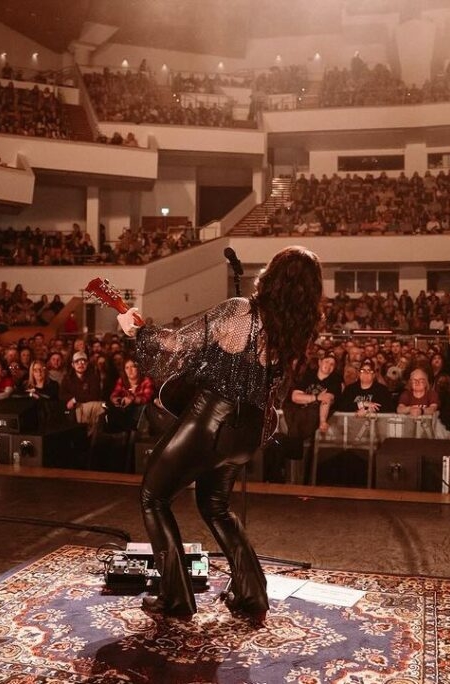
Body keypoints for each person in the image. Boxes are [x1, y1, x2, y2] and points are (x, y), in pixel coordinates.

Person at [117, 246, 324, 624]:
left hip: (211, 421)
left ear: (272, 275)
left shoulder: (240, 311)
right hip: (248, 434)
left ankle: (175, 597)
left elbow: (176, 346)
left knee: (153, 496)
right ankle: (251, 593)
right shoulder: (294, 332)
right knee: (216, 508)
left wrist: (137, 330)